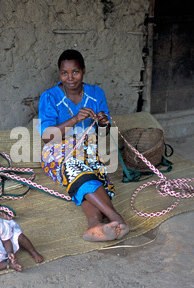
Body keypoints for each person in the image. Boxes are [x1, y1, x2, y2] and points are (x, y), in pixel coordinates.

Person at [37, 49, 129, 242]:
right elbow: (47, 137)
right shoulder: (50, 97)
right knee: (74, 168)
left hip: (89, 149)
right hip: (56, 152)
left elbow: (103, 133)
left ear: (84, 71)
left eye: (75, 72)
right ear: (59, 74)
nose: (70, 78)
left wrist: (104, 123)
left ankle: (95, 225)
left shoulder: (96, 93)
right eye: (64, 73)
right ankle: (115, 217)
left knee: (94, 176)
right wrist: (74, 119)